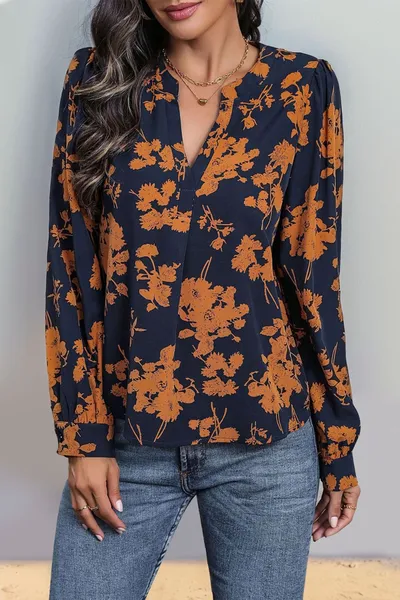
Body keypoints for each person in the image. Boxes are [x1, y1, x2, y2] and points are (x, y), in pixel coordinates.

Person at [45, 0, 361, 598]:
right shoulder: (98, 81)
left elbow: (314, 276)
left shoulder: (302, 87)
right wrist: (83, 435)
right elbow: (70, 263)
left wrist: (337, 443)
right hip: (126, 440)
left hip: (266, 443)